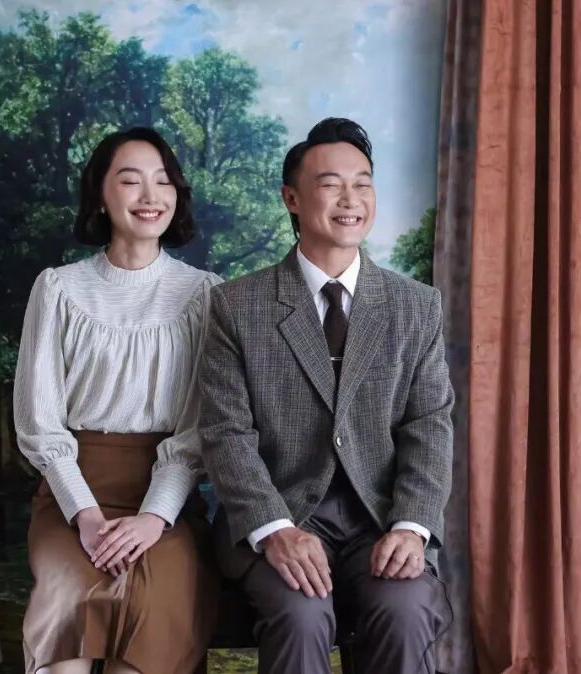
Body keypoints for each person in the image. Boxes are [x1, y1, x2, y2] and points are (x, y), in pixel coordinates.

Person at [199, 118, 454, 674]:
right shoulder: (236, 306)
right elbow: (225, 434)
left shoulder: (417, 306)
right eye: (331, 184)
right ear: (291, 198)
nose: (350, 199)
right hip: (280, 513)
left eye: (363, 184)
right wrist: (275, 529)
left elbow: (429, 428)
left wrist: (411, 526)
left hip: (379, 519)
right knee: (301, 613)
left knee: (407, 609)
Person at [15, 127, 220, 674]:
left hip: (167, 504)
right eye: (130, 181)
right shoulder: (57, 289)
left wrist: (154, 518)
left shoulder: (204, 294)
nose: (150, 196)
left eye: (163, 181)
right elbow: (39, 423)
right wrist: (85, 516)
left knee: (154, 617)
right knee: (66, 616)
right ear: (101, 196)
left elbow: (198, 429)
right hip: (71, 497)